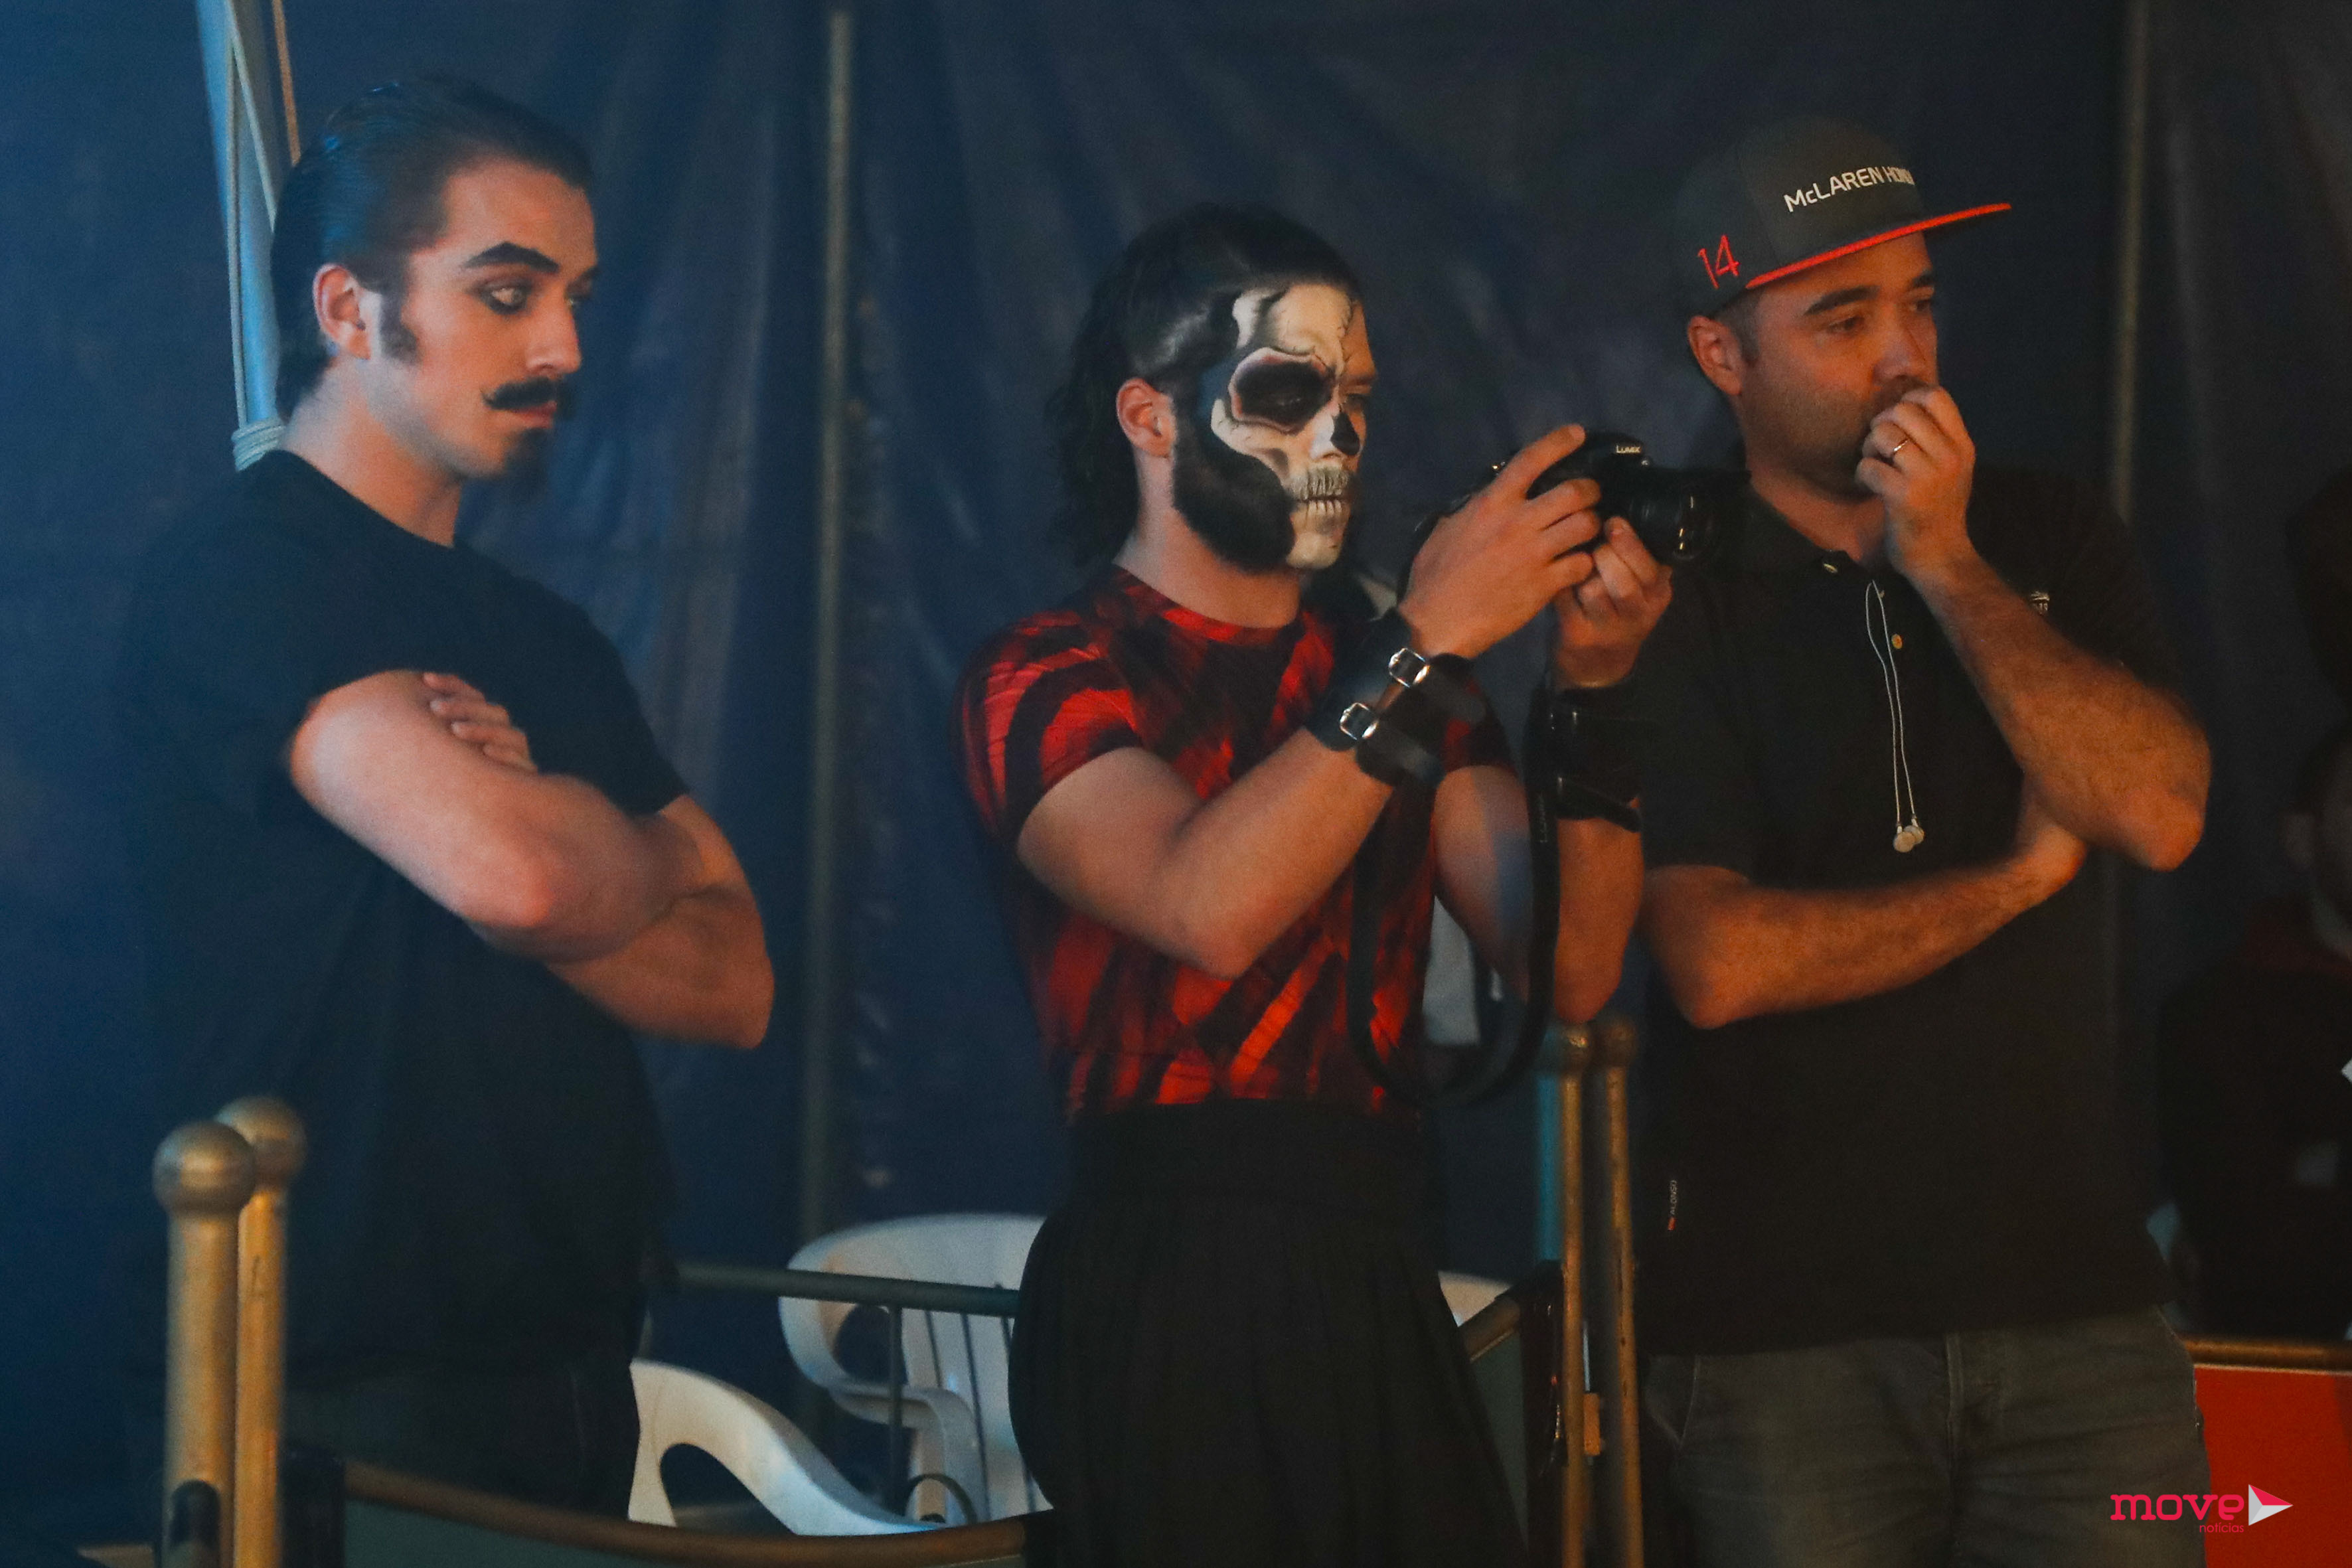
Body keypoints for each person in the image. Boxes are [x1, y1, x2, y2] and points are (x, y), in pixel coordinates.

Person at [953, 203, 1671, 1566]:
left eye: (1357, 400)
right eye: (1285, 394)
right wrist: (1424, 637)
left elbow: (1569, 967)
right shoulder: (1044, 669)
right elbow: (1207, 908)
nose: (1337, 436)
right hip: (1163, 1279)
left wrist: (1596, 693)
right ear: (1149, 417)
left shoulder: (1387, 658)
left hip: (1375, 1256)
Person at [116, 79, 772, 1513]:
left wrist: (568, 831)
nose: (562, 347)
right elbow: (518, 882)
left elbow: (736, 983)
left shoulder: (545, 637)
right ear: (349, 310)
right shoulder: (248, 573)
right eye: (506, 293)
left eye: (574, 298)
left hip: (571, 1349)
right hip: (329, 1375)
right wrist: (641, 854)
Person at [1632, 118, 2214, 1566]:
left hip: (2085, 1315)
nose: (1904, 355)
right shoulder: (1670, 582)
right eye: (1842, 319)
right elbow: (1714, 960)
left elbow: (2157, 813)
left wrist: (1944, 557)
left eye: (1921, 302)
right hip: (1784, 1344)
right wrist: (2013, 883)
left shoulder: (2043, 529)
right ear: (1720, 355)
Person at [2160, 722, 2352, 1338]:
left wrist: (2324, 1163)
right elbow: (2250, 1244)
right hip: (2295, 1371)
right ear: (2302, 836)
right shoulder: (2220, 1016)